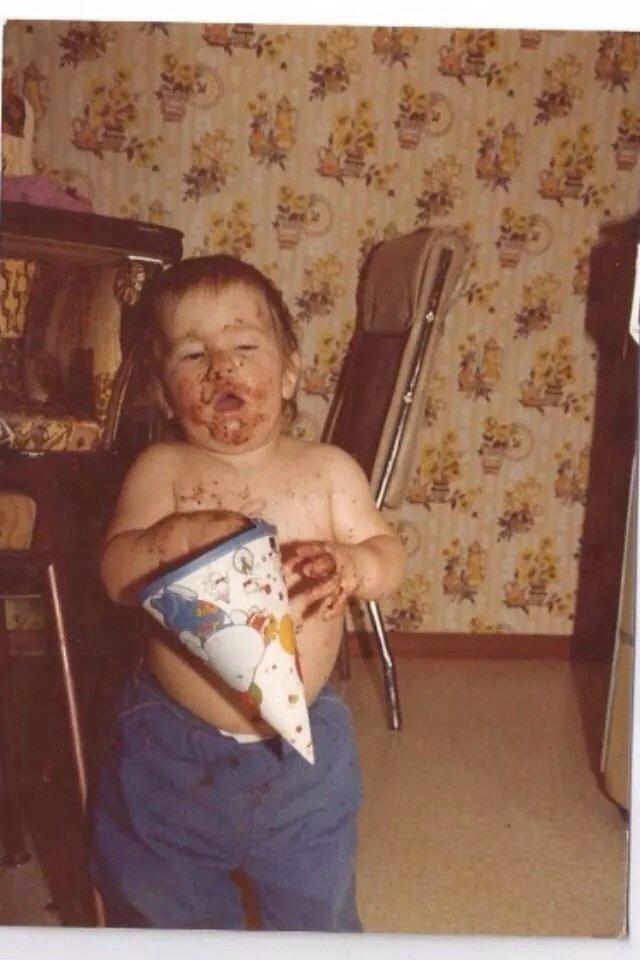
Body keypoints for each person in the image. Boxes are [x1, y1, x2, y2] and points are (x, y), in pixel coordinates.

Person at [89, 254, 406, 932]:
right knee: (165, 905)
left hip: (303, 753)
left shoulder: (326, 470)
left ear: (289, 369)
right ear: (163, 390)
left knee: (317, 906)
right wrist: (166, 539)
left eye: (243, 347)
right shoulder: (163, 468)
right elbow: (116, 572)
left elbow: (389, 555)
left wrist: (354, 564)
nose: (220, 369)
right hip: (172, 749)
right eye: (193, 353)